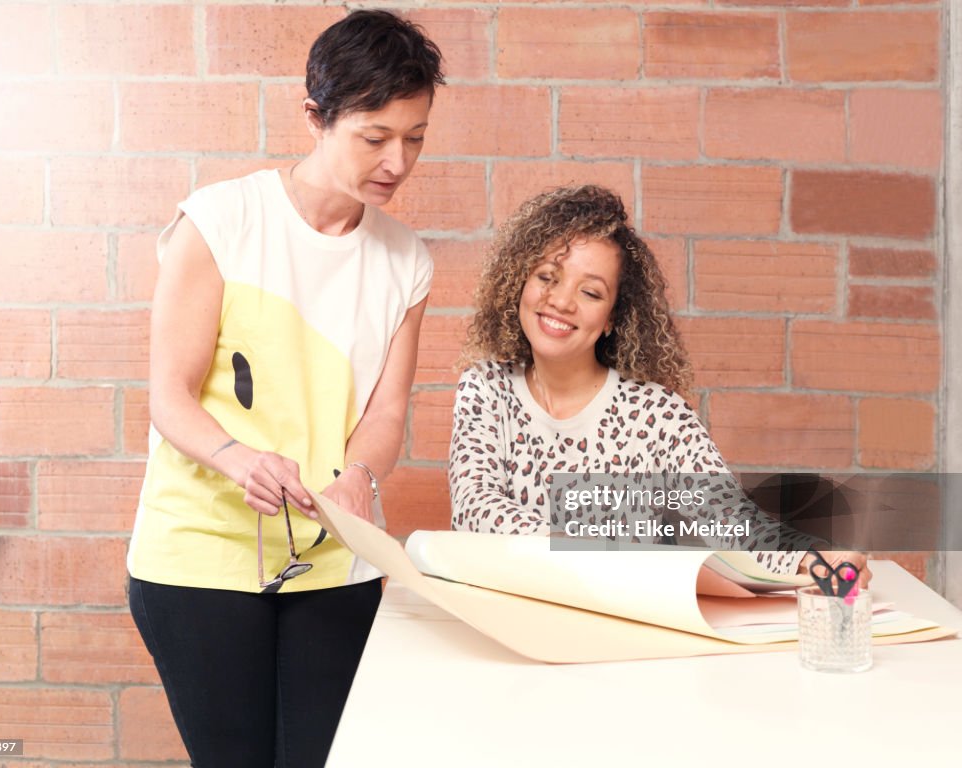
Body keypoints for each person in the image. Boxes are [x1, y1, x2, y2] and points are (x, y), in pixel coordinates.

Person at [126, 10, 444, 768]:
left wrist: (361, 477)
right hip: (199, 556)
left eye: (416, 136)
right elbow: (168, 394)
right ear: (315, 116)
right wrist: (239, 457)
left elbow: (387, 410)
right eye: (375, 136)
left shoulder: (407, 261)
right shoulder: (222, 220)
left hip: (337, 557)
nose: (396, 161)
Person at [448, 184, 870, 584]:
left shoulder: (656, 414)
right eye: (547, 277)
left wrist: (808, 558)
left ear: (614, 316)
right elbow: (475, 509)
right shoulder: (486, 389)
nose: (561, 301)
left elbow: (726, 518)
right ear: (520, 279)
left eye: (591, 293)